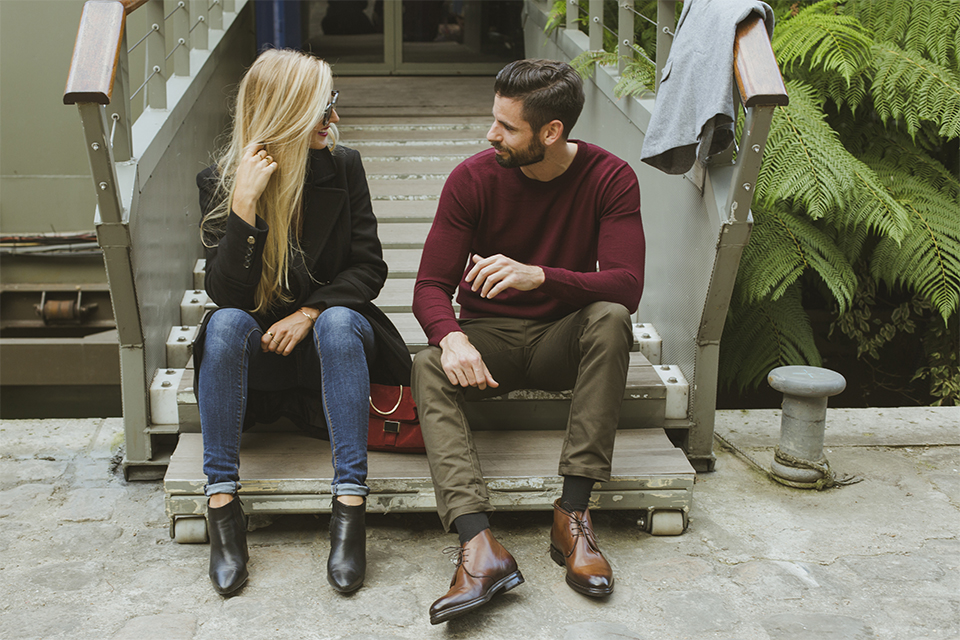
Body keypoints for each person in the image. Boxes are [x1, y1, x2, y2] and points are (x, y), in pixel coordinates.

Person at [411, 58, 645, 624]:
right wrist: (452, 338)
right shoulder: (472, 179)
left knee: (611, 317)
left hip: (559, 342)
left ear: (552, 131)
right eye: (494, 120)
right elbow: (429, 287)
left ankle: (573, 516)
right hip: (488, 343)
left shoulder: (610, 177)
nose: (491, 134)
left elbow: (627, 284)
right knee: (426, 365)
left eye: (507, 127)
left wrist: (540, 274)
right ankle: (479, 545)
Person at [193, 48, 411, 596]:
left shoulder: (344, 166)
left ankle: (349, 505)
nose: (334, 119)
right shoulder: (221, 180)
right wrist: (245, 205)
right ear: (287, 111)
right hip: (260, 355)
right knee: (221, 326)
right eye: (324, 106)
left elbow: (369, 265)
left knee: (338, 320)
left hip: (331, 350)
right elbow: (226, 295)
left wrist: (309, 313)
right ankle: (222, 507)